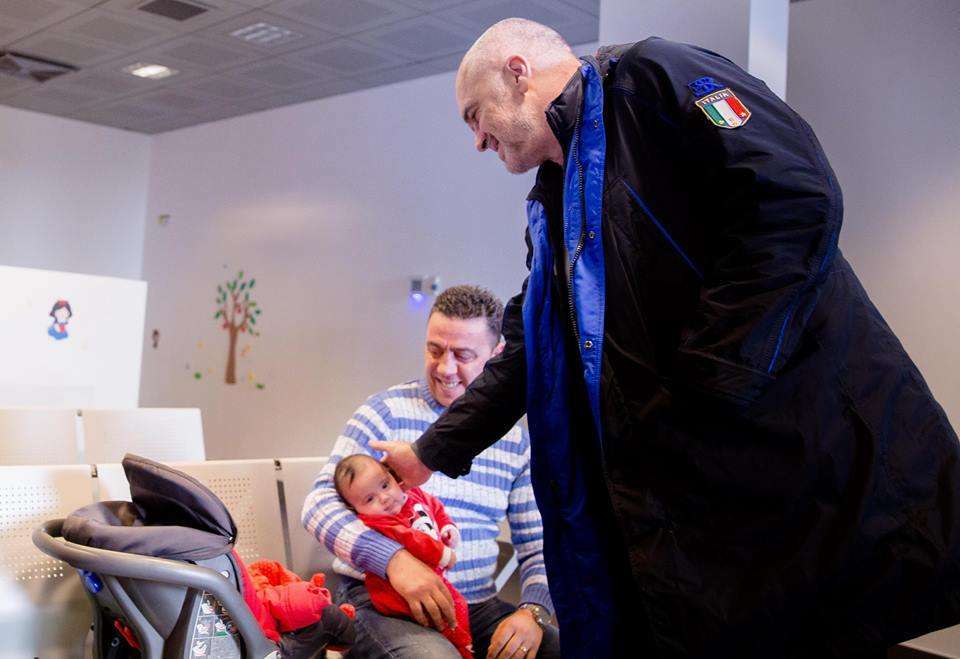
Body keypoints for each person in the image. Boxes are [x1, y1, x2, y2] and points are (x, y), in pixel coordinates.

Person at [373, 18, 960, 658]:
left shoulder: (652, 79)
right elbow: (532, 353)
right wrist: (430, 452)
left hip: (780, 457)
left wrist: (706, 385)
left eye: (474, 115)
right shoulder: (553, 202)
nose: (477, 140)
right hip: (677, 501)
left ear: (518, 74)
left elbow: (793, 196)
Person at [302, 285, 561, 659]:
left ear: (498, 355)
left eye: (463, 355)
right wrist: (394, 561)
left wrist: (533, 611)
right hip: (384, 601)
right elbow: (318, 506)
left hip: (475, 607)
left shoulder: (517, 442)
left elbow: (541, 545)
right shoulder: (385, 413)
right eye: (435, 350)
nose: (445, 368)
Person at [334, 454, 473, 658]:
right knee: (450, 610)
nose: (384, 497)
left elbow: (434, 507)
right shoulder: (379, 522)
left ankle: (462, 644)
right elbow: (411, 539)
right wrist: (442, 554)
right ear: (354, 509)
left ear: (393, 476)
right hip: (396, 595)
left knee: (456, 608)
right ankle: (461, 645)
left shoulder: (414, 494)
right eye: (369, 499)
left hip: (430, 579)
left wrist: (447, 527)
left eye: (384, 485)